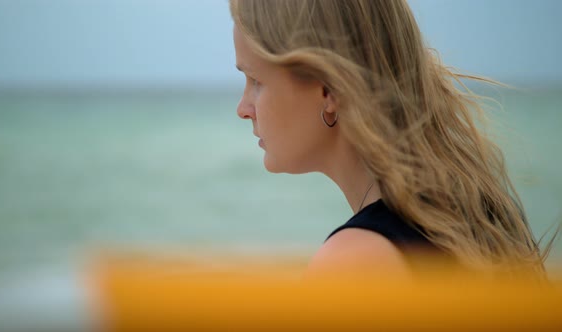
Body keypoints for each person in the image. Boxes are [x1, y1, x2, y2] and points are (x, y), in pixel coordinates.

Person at [230, 0, 552, 278]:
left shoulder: (356, 262)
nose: (243, 109)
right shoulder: (476, 213)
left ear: (327, 88)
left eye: (256, 80)